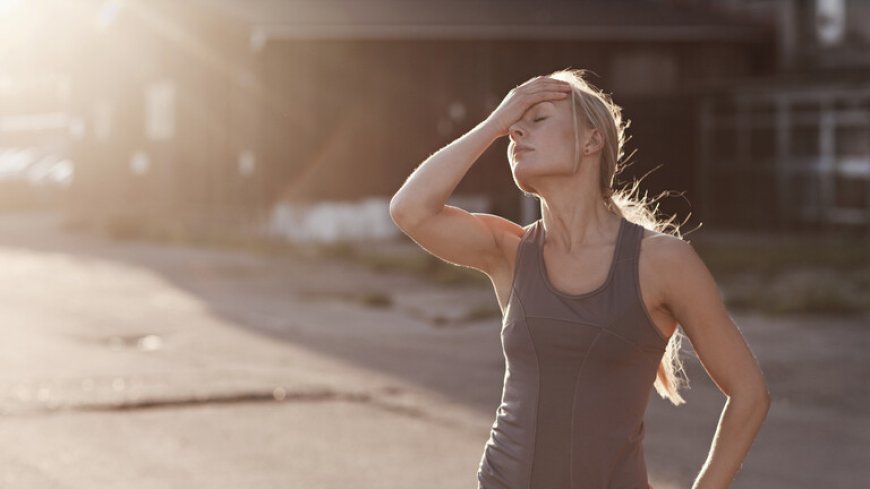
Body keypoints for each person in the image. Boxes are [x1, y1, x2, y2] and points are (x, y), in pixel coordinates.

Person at [389, 68, 770, 489]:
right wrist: (494, 123)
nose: (516, 131)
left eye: (538, 119)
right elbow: (410, 210)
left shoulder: (663, 261)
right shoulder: (510, 251)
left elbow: (749, 394)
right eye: (514, 125)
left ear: (592, 140)